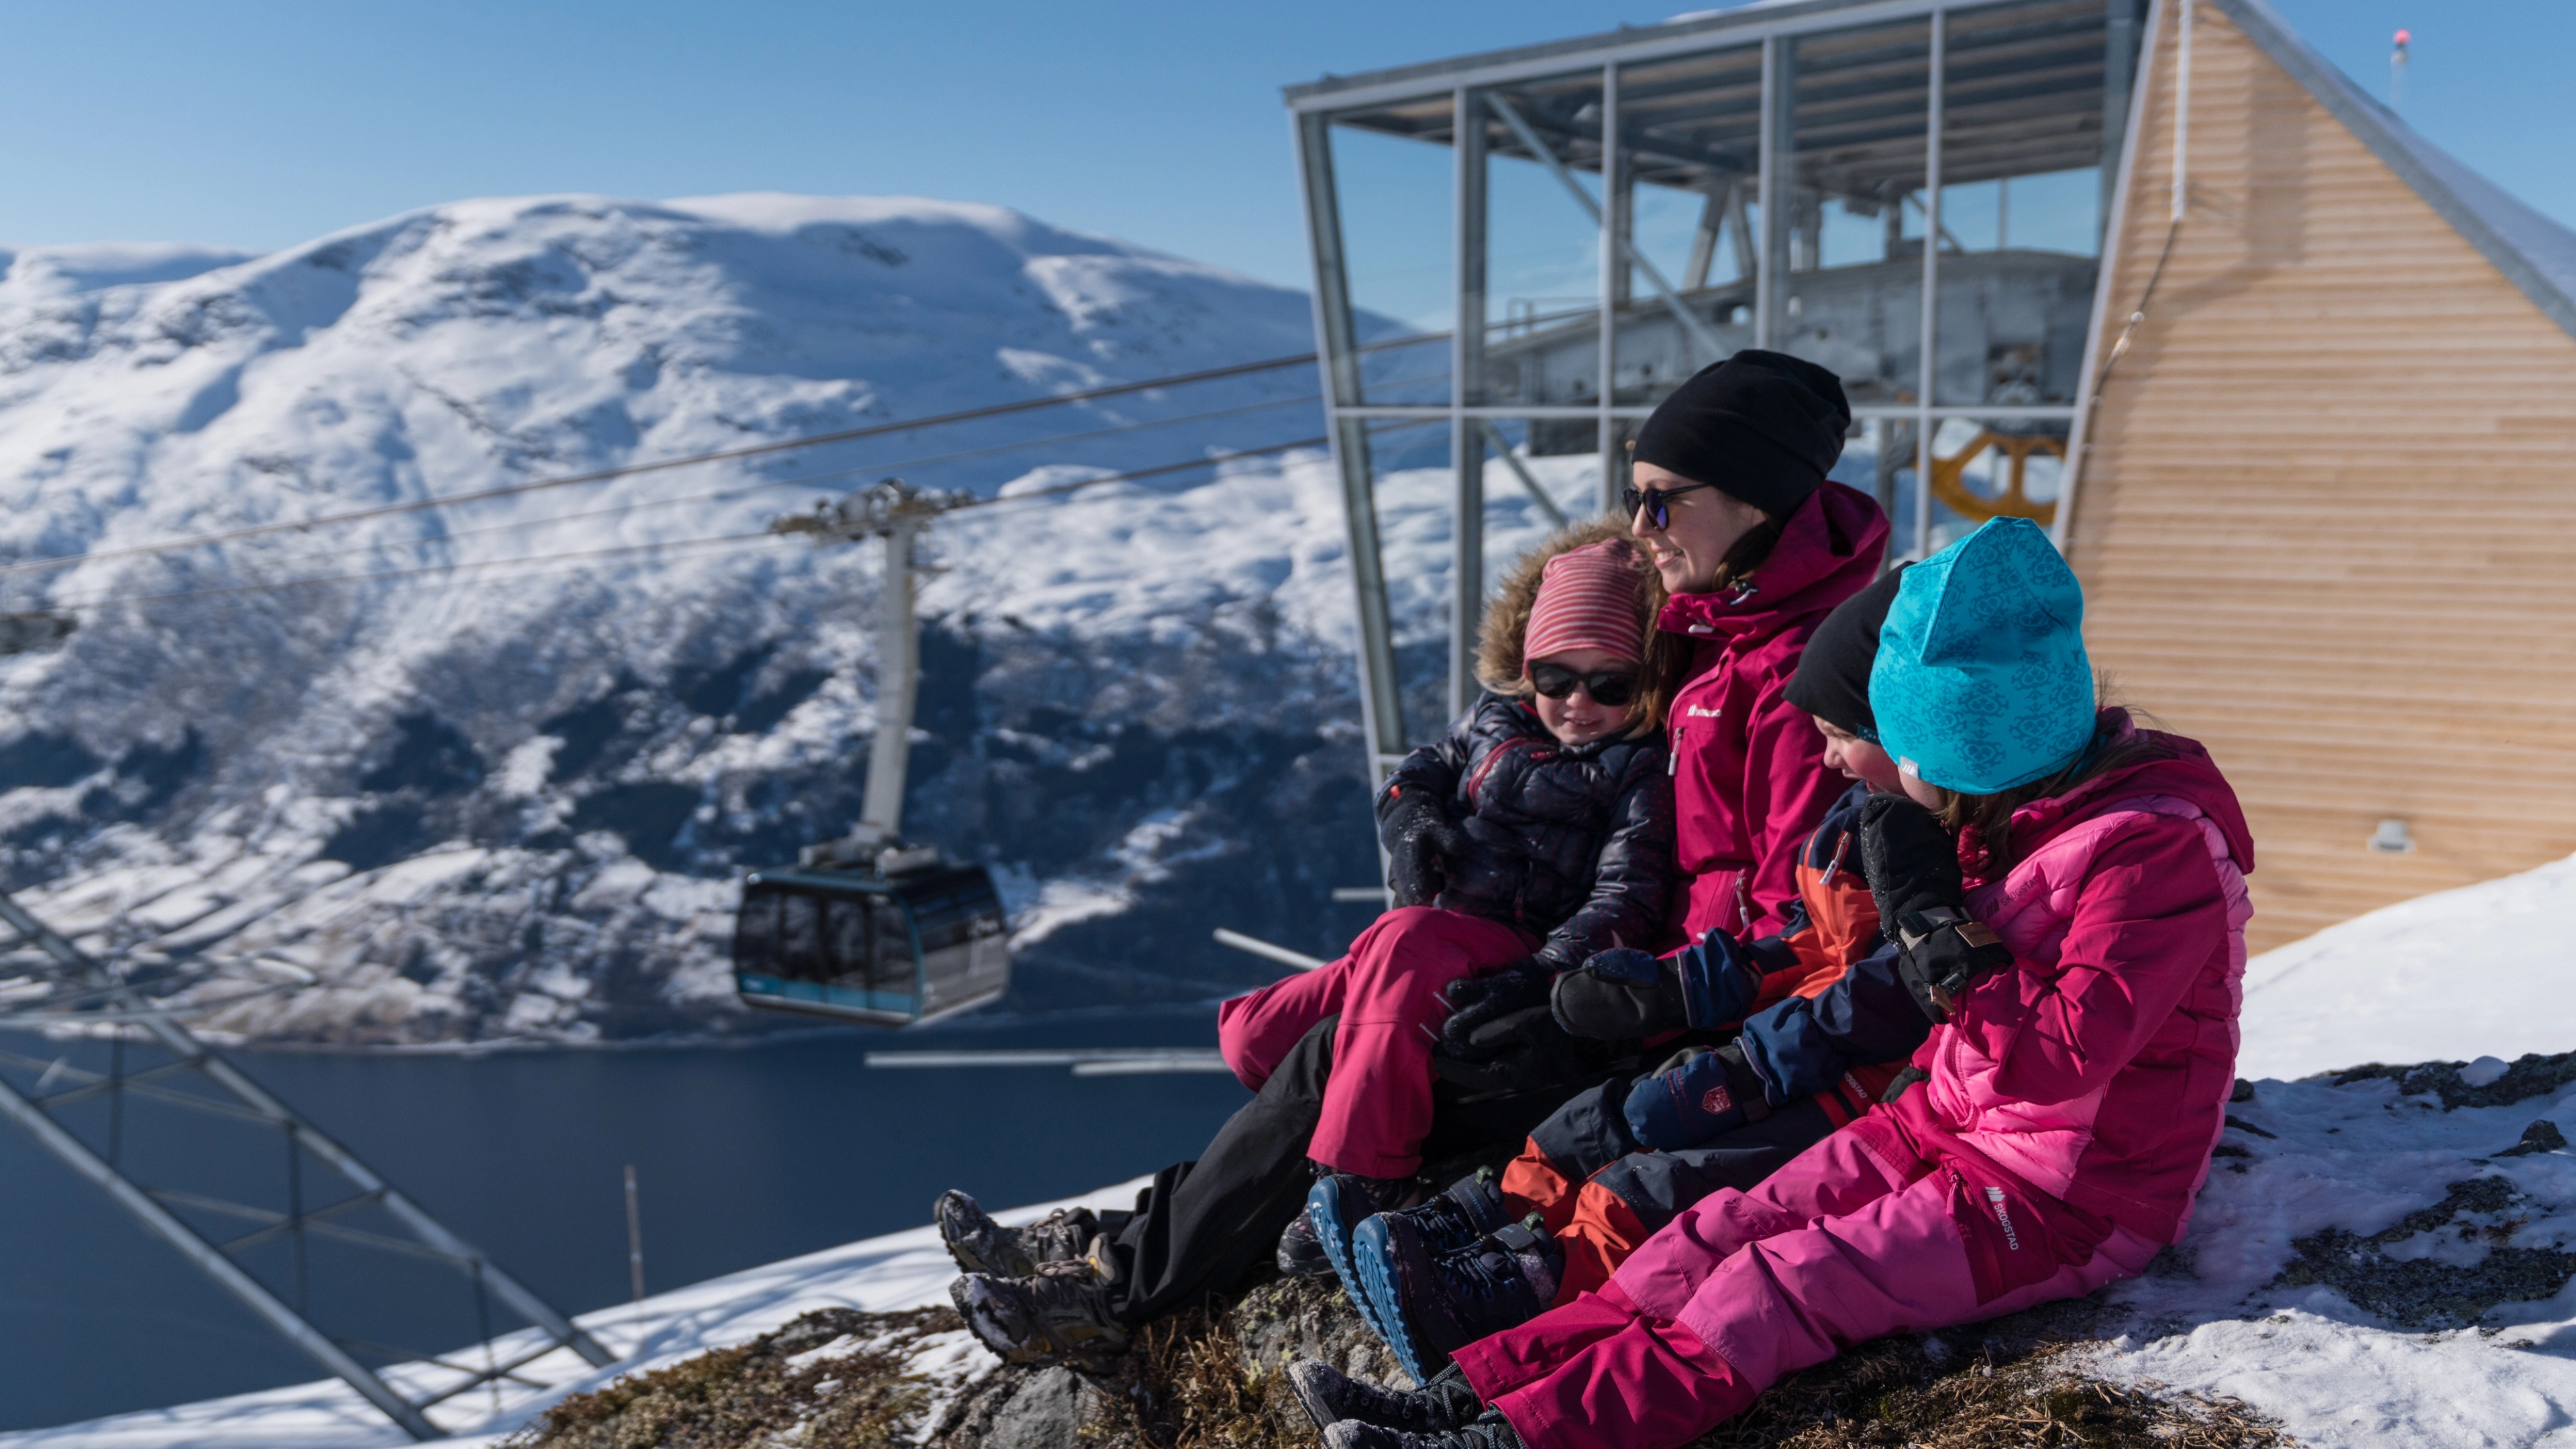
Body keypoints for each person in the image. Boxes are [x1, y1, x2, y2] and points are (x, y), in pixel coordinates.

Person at [1287, 517, 2255, 1449]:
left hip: (2065, 1200)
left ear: (1956, 748)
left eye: (1897, 748)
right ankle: (1466, 1399)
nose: (1866, 772)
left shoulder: (2153, 855)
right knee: (1705, 1238)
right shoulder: (2018, 820)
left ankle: (1517, 1439)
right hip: (1937, 1128)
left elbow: (2052, 1065)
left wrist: (1928, 921)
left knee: (1780, 1287)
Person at [941, 520, 1677, 1369]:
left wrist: (1545, 977)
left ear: (1642, 683)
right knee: (1266, 1034)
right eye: (1556, 676)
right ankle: (1109, 1242)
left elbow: (1626, 897)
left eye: (1609, 683)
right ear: (1525, 665)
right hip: (1429, 946)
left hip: (1508, 968)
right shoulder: (1494, 721)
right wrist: (1411, 813)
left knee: (1350, 1027)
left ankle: (1331, 1191)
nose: (1578, 701)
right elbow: (1424, 767)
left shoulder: (1632, 772)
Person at [1330, 566, 1936, 1383]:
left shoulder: (1929, 855)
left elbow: (1885, 994)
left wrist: (1748, 1050)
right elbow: (1802, 945)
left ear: (1902, 728)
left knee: (1659, 1180)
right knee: (1602, 1117)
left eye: (1837, 733)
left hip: (1838, 1083)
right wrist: (1676, 984)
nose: (1824, 757)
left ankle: (1507, 1295)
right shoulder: (1856, 817)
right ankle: (1480, 1227)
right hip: (1786, 1043)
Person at [1424, 350, 1890, 1128]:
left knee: (1420, 1069)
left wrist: (1638, 1001)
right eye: (1631, 499)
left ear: (1755, 501)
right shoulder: (1703, 630)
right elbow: (1549, 717)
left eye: (1663, 501)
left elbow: (1799, 917)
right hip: (1634, 967)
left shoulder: (1796, 674)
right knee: (1354, 1036)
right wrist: (1417, 793)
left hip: (1693, 1011)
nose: (1642, 527)